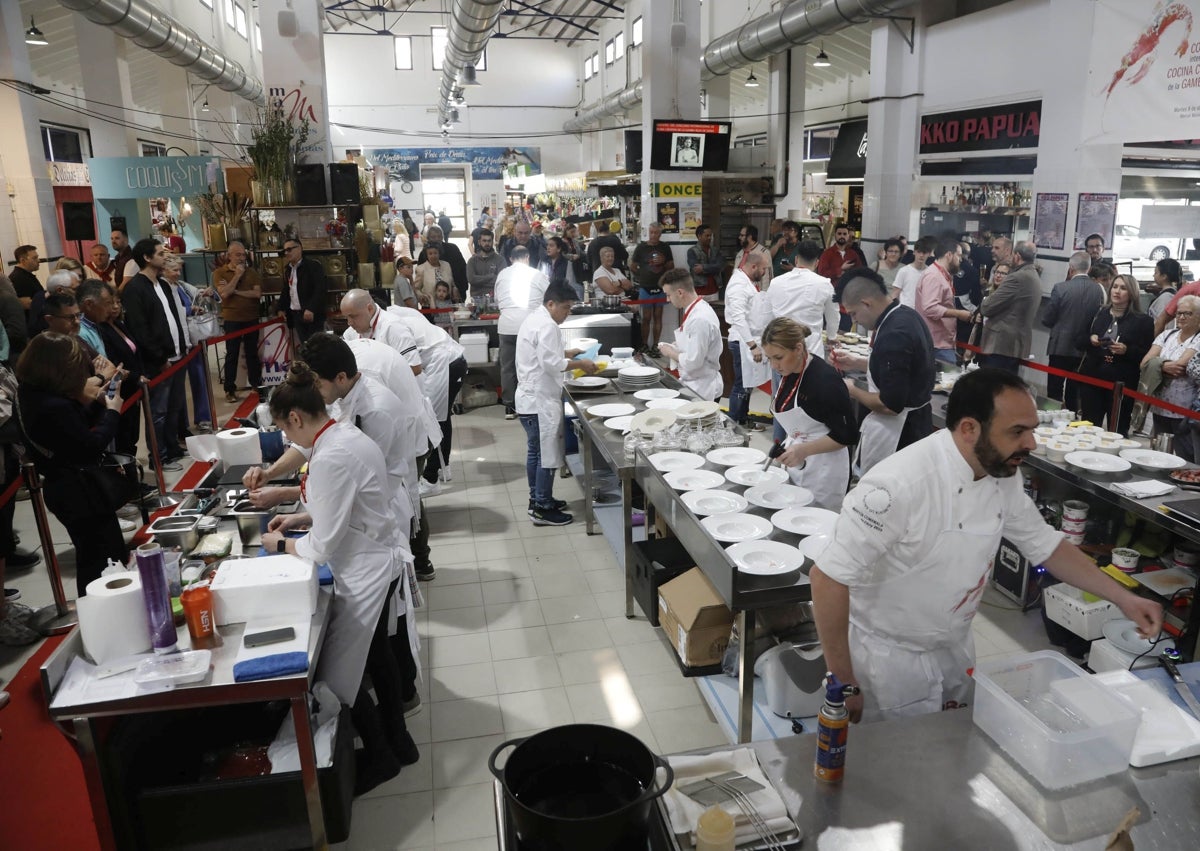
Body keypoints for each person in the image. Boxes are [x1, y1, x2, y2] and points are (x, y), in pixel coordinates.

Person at [810, 369, 1163, 725]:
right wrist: (842, 679)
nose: (1032, 444)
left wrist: (1124, 598)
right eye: (1017, 432)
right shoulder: (896, 486)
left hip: (954, 647)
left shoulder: (1000, 472)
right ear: (969, 428)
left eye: (1032, 430)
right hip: (887, 663)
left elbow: (1046, 546)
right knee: (887, 769)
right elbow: (828, 578)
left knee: (950, 754)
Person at [259, 364, 418, 795]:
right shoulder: (343, 435)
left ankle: (383, 759)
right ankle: (400, 745)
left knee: (338, 675)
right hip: (376, 557)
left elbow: (323, 546)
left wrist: (283, 545)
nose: (288, 441)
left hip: (364, 570)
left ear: (295, 417)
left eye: (284, 432)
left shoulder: (330, 455)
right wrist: (300, 516)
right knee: (377, 656)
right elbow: (344, 504)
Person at [16, 333, 129, 596]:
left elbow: (71, 430)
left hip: (64, 486)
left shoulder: (30, 390)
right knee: (102, 561)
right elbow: (90, 444)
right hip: (79, 491)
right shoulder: (53, 405)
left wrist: (99, 399)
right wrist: (113, 410)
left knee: (93, 557)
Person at [830, 270, 935, 474]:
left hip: (901, 434)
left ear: (866, 303)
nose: (854, 320)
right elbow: (900, 368)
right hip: (916, 423)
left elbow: (890, 405)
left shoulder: (894, 334)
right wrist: (857, 362)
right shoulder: (905, 313)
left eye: (853, 313)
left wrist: (851, 389)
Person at [516, 282, 597, 526]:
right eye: (565, 308)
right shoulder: (548, 325)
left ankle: (540, 499)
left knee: (536, 454)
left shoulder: (535, 319)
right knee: (545, 456)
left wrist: (567, 352)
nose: (567, 313)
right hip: (539, 401)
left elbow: (544, 354)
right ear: (550, 304)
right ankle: (541, 508)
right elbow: (550, 363)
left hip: (529, 401)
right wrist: (581, 364)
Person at [761, 318, 858, 510]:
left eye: (778, 357)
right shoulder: (791, 371)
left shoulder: (824, 381)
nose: (774, 365)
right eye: (769, 358)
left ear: (798, 349)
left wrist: (804, 450)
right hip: (799, 457)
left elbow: (848, 435)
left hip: (825, 469)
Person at [121, 239, 190, 472]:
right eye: (160, 253)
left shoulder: (161, 282)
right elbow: (140, 329)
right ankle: (158, 457)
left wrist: (182, 344)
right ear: (147, 258)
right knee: (158, 412)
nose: (165, 255)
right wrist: (160, 358)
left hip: (177, 354)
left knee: (174, 407)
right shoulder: (135, 289)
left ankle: (172, 448)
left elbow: (172, 318)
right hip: (157, 362)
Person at [388, 306, 468, 490]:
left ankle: (431, 478)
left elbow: (412, 368)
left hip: (444, 363)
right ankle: (442, 467)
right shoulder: (399, 313)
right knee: (441, 418)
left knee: (430, 421)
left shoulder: (392, 326)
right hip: (453, 359)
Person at [1077, 274, 1154, 435]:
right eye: (1115, 287)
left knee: (1117, 431)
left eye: (1123, 288)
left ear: (1132, 293)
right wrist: (1091, 339)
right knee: (1088, 428)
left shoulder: (1143, 321)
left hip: (1122, 382)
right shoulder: (1098, 313)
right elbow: (1078, 340)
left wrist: (1127, 350)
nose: (1117, 291)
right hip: (1093, 377)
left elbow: (1147, 354)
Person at [495, 245, 551, 419]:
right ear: (527, 257)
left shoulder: (502, 274)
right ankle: (533, 404)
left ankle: (509, 407)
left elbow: (498, 299)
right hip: (530, 326)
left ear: (511, 259)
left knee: (508, 367)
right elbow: (550, 297)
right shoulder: (537, 274)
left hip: (506, 326)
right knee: (533, 365)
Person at [1042, 251, 1103, 409]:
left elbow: (1047, 318)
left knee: (1054, 389)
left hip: (1060, 346)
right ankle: (1072, 420)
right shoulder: (1098, 290)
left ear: (1070, 268)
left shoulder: (1060, 288)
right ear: (1089, 269)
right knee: (1074, 390)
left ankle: (1052, 419)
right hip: (1084, 348)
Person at [762, 240, 839, 360]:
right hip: (811, 351)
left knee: (784, 378)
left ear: (796, 259)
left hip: (781, 350)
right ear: (817, 263)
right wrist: (831, 336)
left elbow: (766, 317)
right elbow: (833, 316)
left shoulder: (776, 282)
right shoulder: (825, 284)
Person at [163, 255, 212, 434]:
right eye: (174, 270)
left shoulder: (182, 285)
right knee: (177, 389)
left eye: (178, 269)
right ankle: (180, 426)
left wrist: (207, 293)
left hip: (193, 340)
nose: (178, 273)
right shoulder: (162, 287)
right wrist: (188, 309)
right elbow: (168, 310)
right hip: (177, 342)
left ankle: (203, 417)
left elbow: (197, 293)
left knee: (199, 378)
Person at [658, 269, 724, 403]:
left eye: (669, 295)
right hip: (695, 383)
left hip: (703, 388)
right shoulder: (696, 309)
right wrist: (679, 345)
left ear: (680, 292)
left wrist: (670, 352)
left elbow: (693, 362)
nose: (667, 299)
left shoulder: (699, 319)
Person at [977, 241, 1042, 374]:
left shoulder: (1017, 278)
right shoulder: (1034, 275)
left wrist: (986, 299)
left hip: (1002, 345)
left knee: (994, 388)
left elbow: (986, 307)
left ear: (1017, 256)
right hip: (1015, 344)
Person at [1143, 293, 1200, 438]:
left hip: (1185, 409)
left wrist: (1157, 366)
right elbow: (1144, 363)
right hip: (1159, 405)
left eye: (1187, 313)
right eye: (1179, 313)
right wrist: (1162, 366)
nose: (1181, 317)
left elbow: (1180, 366)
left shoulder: (1198, 339)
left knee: (1183, 453)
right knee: (1159, 448)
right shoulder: (1167, 335)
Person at [213, 241, 263, 403]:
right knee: (232, 354)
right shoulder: (220, 273)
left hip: (251, 318)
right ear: (229, 256)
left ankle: (257, 385)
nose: (241, 258)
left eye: (243, 254)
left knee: (252, 353)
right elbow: (224, 294)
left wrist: (235, 290)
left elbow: (256, 294)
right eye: (238, 255)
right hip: (232, 319)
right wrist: (237, 276)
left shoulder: (252, 272)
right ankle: (230, 389)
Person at [724, 254, 769, 427]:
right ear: (753, 267)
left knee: (748, 383)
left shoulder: (747, 282)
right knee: (741, 385)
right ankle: (733, 424)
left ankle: (743, 418)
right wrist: (752, 345)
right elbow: (738, 317)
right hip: (742, 341)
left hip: (749, 339)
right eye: (763, 269)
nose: (764, 272)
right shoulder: (738, 284)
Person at [914, 236, 971, 365]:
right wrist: (959, 313)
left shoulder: (944, 275)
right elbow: (930, 308)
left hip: (941, 341)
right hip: (935, 344)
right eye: (959, 256)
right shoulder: (934, 276)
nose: (961, 260)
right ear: (949, 255)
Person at [340, 288, 422, 373]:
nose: (349, 322)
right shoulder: (350, 332)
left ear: (370, 309)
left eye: (353, 316)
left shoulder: (393, 326)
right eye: (346, 318)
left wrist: (378, 376)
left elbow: (414, 367)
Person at [629, 223, 674, 355]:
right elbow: (633, 265)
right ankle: (644, 345)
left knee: (658, 316)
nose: (653, 235)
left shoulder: (665, 248)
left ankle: (655, 345)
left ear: (660, 234)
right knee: (646, 317)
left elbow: (671, 266)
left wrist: (663, 261)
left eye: (656, 233)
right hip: (645, 286)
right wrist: (640, 275)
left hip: (660, 287)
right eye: (651, 232)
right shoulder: (641, 247)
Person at [272, 237, 327, 345]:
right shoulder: (288, 269)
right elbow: (287, 290)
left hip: (312, 315)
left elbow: (320, 288)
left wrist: (311, 308)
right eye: (285, 251)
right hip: (296, 314)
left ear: (299, 249)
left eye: (289, 249)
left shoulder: (313, 266)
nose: (287, 253)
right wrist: (281, 308)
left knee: (316, 346)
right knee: (305, 346)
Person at [417, 225, 468, 296]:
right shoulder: (424, 253)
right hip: (432, 295)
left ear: (442, 237)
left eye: (439, 236)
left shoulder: (453, 248)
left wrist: (463, 288)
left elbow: (463, 268)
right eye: (433, 237)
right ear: (428, 238)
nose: (437, 239)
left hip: (455, 290)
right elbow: (420, 277)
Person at [890, 235, 933, 308]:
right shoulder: (904, 271)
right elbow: (894, 293)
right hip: (905, 311)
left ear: (929, 254)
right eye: (919, 252)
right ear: (914, 252)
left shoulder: (930, 272)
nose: (921, 255)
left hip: (923, 312)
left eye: (924, 252)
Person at [465, 228, 506, 301]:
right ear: (479, 242)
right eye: (484, 241)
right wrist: (491, 276)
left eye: (489, 241)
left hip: (495, 300)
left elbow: (501, 280)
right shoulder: (472, 261)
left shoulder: (500, 260)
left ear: (492, 242)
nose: (487, 243)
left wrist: (479, 282)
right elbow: (471, 279)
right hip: (477, 300)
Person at [687, 224, 723, 301]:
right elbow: (696, 270)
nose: (710, 238)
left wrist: (703, 267)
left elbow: (719, 266)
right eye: (707, 236)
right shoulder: (692, 251)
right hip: (699, 291)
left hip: (714, 290)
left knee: (713, 312)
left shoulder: (715, 250)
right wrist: (712, 268)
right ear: (699, 236)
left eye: (711, 235)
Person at [733, 224, 773, 291]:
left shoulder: (763, 252)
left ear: (750, 237)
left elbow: (767, 278)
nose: (739, 237)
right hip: (740, 292)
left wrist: (764, 295)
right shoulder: (740, 253)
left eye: (742, 235)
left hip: (756, 294)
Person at [541, 236, 581, 301]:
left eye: (551, 246)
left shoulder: (567, 263)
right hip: (544, 295)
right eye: (547, 245)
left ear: (559, 249)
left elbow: (570, 283)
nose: (548, 248)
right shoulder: (543, 262)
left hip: (560, 298)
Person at [1148, 258, 1183, 324]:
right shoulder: (1168, 295)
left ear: (1164, 276)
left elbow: (1165, 324)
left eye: (1156, 273)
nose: (1153, 275)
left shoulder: (1166, 298)